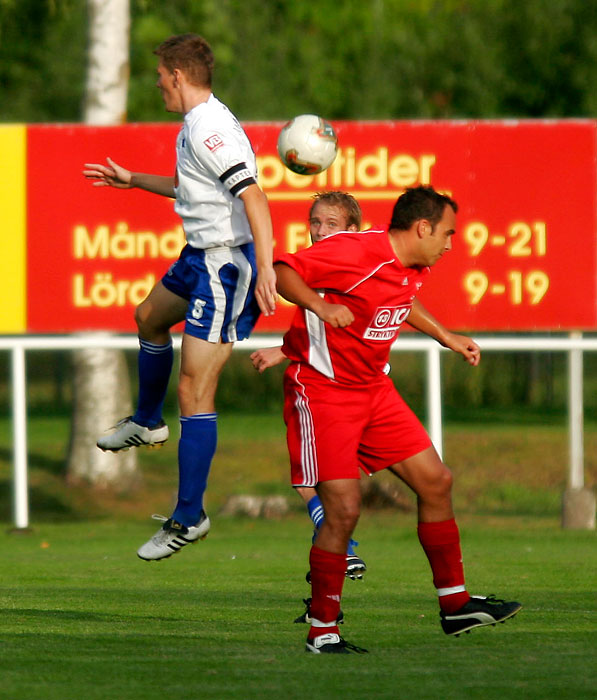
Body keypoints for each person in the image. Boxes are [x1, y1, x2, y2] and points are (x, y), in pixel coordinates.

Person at [274, 185, 522, 654]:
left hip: (373, 391)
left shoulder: (411, 265)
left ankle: (455, 604)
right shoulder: (354, 250)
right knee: (344, 511)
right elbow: (284, 270)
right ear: (422, 227)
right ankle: (322, 631)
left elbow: (401, 302)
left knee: (436, 481)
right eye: (447, 233)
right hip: (324, 393)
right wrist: (322, 305)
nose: (450, 244)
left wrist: (446, 335)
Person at [83, 33, 277, 561]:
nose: (157, 85)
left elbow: (254, 197)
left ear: (178, 75)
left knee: (195, 390)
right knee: (148, 317)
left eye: (161, 76)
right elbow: (193, 186)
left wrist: (264, 268)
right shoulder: (198, 122)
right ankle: (147, 420)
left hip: (223, 264)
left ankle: (189, 516)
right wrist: (132, 180)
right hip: (198, 255)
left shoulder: (210, 128)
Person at [251, 191, 367, 583]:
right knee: (325, 481)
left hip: (324, 387)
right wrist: (282, 350)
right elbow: (314, 330)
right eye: (315, 223)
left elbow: (333, 326)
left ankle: (342, 549)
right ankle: (325, 593)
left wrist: (283, 352)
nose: (319, 232)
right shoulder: (337, 265)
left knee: (309, 482)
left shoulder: (333, 268)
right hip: (353, 386)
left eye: (331, 224)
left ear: (354, 230)